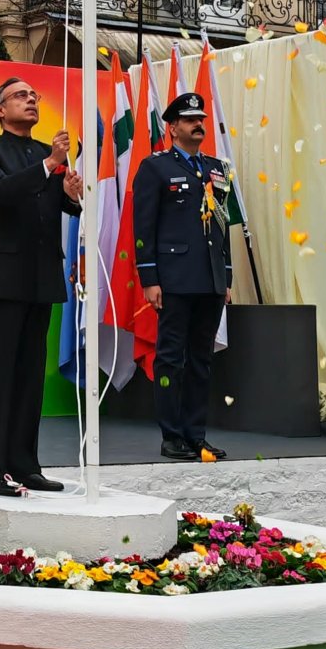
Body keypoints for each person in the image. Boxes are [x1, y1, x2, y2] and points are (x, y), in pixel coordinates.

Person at [0, 77, 83, 496]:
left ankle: (25, 463)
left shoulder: (45, 155)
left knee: (31, 376)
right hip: (3, 279)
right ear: (0, 109)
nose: (31, 99)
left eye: (35, 95)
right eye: (21, 95)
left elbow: (55, 206)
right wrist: (50, 167)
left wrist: (71, 196)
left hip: (41, 277)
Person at [133, 90, 232, 462]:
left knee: (201, 360)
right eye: (190, 120)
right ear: (172, 127)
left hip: (209, 279)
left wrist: (226, 276)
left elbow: (223, 225)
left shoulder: (216, 169)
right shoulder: (155, 167)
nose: (198, 125)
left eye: (202, 119)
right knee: (171, 358)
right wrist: (149, 277)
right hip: (173, 278)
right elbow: (143, 224)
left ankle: (196, 435)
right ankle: (171, 435)